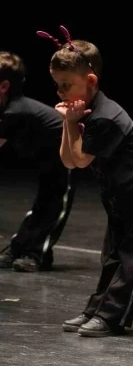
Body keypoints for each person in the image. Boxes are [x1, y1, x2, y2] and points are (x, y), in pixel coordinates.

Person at [40, 25, 133, 337]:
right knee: (110, 255)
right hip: (117, 194)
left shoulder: (104, 117)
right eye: (57, 86)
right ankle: (95, 308)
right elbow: (68, 160)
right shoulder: (82, 111)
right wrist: (69, 124)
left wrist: (70, 123)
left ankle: (112, 317)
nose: (60, 93)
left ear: (91, 81)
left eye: (66, 85)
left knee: (129, 259)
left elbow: (81, 160)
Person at [0, 51, 76, 272]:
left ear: (4, 86)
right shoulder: (8, 109)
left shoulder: (15, 111)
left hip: (65, 156)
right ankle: (18, 247)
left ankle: (37, 254)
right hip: (45, 157)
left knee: (54, 206)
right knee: (41, 205)